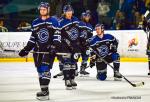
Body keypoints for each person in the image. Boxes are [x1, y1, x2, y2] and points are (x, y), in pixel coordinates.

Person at [18, 2, 61, 100]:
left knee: (45, 69)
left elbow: (57, 36)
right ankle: (45, 91)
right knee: (40, 71)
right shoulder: (35, 22)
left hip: (49, 50)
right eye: (41, 9)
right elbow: (33, 38)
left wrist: (54, 47)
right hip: (38, 51)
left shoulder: (54, 21)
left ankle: (44, 92)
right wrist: (26, 49)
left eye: (44, 9)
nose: (42, 11)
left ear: (48, 10)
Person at [59, 5, 81, 90]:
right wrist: (67, 42)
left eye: (70, 11)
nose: (69, 13)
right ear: (64, 12)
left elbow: (78, 31)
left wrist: (80, 41)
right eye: (67, 12)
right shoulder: (61, 22)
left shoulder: (76, 20)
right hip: (65, 46)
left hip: (75, 46)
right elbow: (59, 34)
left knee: (73, 63)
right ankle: (67, 80)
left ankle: (72, 79)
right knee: (67, 63)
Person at [79, 11, 93, 76]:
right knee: (75, 56)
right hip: (78, 44)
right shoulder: (79, 23)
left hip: (86, 44)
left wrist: (89, 42)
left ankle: (82, 69)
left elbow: (91, 36)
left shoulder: (90, 26)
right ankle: (73, 69)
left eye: (88, 16)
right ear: (82, 17)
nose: (87, 18)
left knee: (85, 56)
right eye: (86, 16)